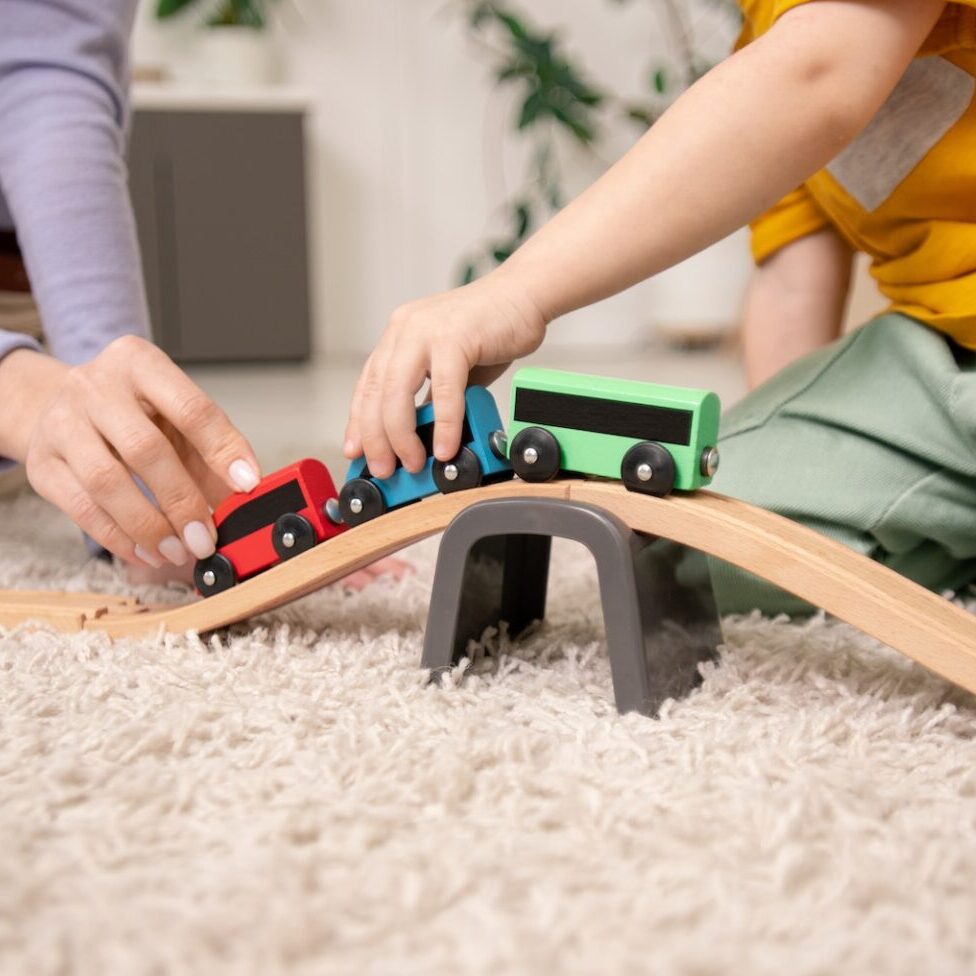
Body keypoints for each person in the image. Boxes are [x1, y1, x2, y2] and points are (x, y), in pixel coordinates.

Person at [345, 0, 976, 614]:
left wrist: (515, 293)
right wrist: (784, 455)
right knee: (695, 551)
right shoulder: (761, 33)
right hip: (936, 369)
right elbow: (795, 280)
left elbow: (820, 69)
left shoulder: (793, 56)